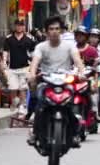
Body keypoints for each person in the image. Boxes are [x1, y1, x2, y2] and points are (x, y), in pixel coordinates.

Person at [27, 16, 85, 145]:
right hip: (47, 81)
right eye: (51, 29)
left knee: (73, 105)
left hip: (65, 81)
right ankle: (35, 132)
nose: (54, 31)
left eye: (57, 29)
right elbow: (35, 63)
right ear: (46, 31)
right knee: (40, 104)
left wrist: (81, 73)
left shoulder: (70, 46)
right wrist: (32, 74)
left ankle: (74, 133)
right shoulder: (41, 47)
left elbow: (78, 61)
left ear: (61, 31)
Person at [3, 19, 36, 112]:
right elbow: (5, 51)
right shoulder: (9, 38)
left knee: (23, 88)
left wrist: (33, 64)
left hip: (25, 67)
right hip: (12, 68)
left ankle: (22, 105)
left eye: (21, 25)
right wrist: (4, 62)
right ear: (14, 26)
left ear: (24, 27)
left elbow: (33, 53)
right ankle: (14, 102)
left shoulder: (29, 39)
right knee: (13, 88)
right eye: (17, 25)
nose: (19, 27)